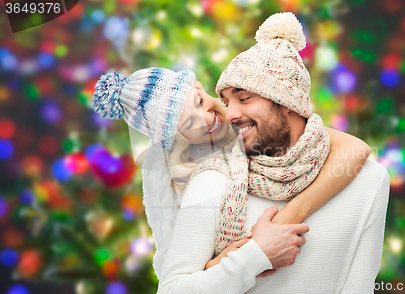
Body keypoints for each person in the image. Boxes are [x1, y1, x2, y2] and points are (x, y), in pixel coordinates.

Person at [156, 12, 390, 294]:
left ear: (286, 101)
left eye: (244, 98)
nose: (230, 114)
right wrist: (254, 256)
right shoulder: (213, 181)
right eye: (226, 102)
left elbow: (359, 287)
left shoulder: (368, 179)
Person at [92, 66, 372, 281]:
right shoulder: (195, 178)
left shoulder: (244, 118)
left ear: (201, 88)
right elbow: (180, 269)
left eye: (199, 101)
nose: (206, 117)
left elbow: (355, 148)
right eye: (189, 122)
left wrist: (289, 217)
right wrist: (233, 259)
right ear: (176, 139)